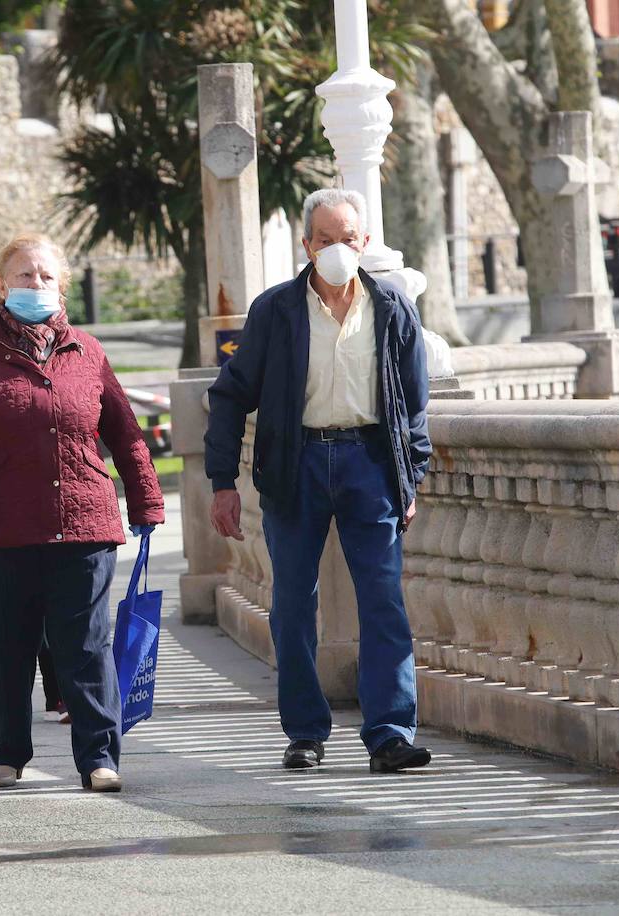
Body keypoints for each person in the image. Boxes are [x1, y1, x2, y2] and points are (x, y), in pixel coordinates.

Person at [0, 233, 164, 793]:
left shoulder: (88, 352)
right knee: (6, 647)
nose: (36, 285)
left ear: (63, 286)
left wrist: (146, 497)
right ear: (1, 285)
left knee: (86, 648)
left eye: (46, 276)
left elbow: (125, 435)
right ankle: (8, 752)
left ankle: (99, 756)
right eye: (25, 275)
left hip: (82, 524)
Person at [204, 188, 432, 773]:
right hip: (295, 465)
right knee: (291, 604)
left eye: (347, 239)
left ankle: (389, 734)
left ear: (365, 243)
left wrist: (411, 478)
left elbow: (412, 406)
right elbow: (230, 396)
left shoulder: (392, 308)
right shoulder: (275, 311)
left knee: (382, 602)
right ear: (306, 245)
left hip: (370, 464)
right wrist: (221, 480)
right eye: (324, 239)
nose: (336, 249)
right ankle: (306, 731)